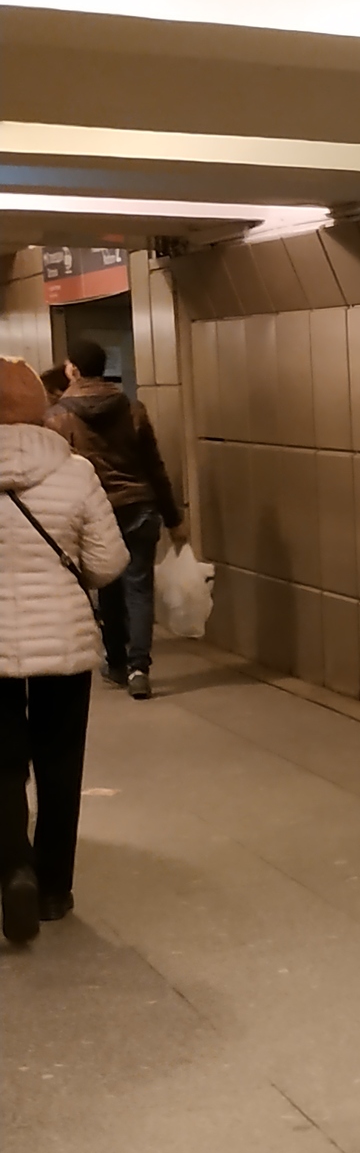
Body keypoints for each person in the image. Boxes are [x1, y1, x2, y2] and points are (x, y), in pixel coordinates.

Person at [0, 359, 129, 944]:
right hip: (66, 644)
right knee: (58, 765)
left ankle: (11, 870)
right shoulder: (75, 473)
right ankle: (53, 886)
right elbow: (107, 563)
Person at [47, 339, 186, 698]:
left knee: (106, 584)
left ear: (73, 369)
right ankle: (140, 668)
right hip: (140, 506)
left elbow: (56, 470)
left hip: (96, 511)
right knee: (139, 588)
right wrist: (174, 518)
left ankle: (118, 663)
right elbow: (154, 467)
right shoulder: (133, 409)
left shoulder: (58, 416)